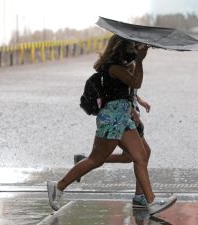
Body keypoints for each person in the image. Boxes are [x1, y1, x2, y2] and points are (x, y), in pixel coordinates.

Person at [47, 34, 177, 215]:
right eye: (132, 46)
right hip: (111, 118)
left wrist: (136, 65)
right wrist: (140, 62)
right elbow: (136, 82)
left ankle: (151, 201)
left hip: (122, 118)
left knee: (140, 156)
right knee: (95, 160)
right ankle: (58, 186)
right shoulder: (113, 68)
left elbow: (129, 89)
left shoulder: (123, 66)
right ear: (121, 48)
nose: (134, 49)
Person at [74, 93, 151, 208]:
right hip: (125, 116)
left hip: (127, 113)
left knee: (131, 156)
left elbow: (129, 89)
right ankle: (139, 196)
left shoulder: (129, 79)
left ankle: (84, 160)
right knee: (142, 154)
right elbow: (123, 89)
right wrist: (132, 111)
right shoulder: (121, 76)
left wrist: (139, 100)